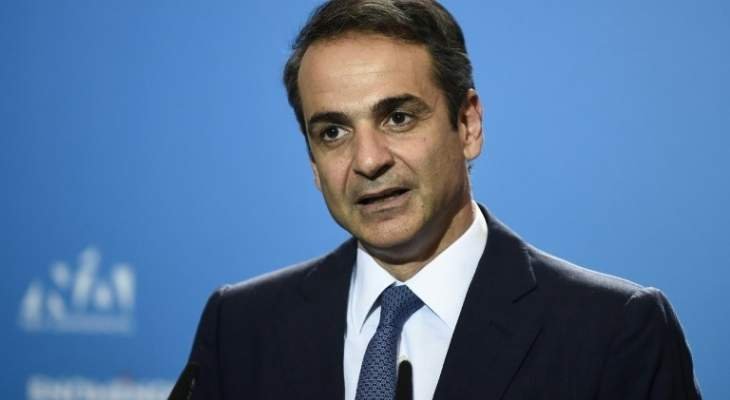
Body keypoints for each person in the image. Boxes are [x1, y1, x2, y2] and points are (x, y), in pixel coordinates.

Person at [172, 1, 702, 399]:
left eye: (398, 118)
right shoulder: (240, 325)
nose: (368, 160)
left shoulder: (612, 330)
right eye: (333, 132)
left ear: (468, 125)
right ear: (312, 161)